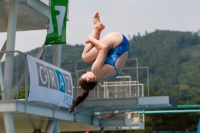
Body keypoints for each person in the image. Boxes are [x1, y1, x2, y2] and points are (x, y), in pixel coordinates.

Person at [70, 12, 129, 114]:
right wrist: (90, 39)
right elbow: (103, 48)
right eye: (85, 74)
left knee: (90, 58)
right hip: (117, 41)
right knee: (85, 57)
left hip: (123, 45)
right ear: (88, 78)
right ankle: (96, 28)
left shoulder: (105, 77)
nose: (87, 71)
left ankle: (97, 28)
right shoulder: (96, 70)